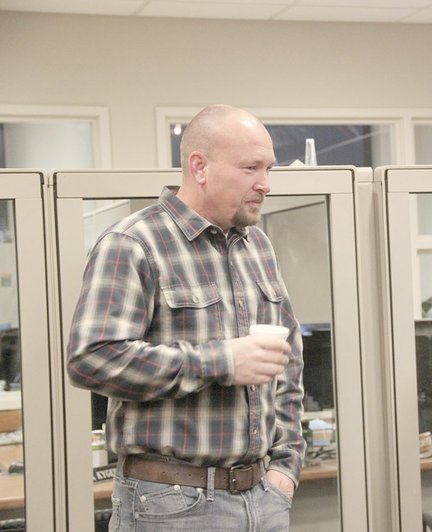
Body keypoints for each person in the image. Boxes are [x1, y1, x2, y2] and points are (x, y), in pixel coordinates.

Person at [67, 104, 305, 532]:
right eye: (251, 167)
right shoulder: (133, 243)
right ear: (200, 166)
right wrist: (220, 361)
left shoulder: (259, 247)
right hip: (171, 504)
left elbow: (287, 366)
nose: (265, 184)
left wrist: (286, 467)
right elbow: (92, 358)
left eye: (268, 168)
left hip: (263, 499)